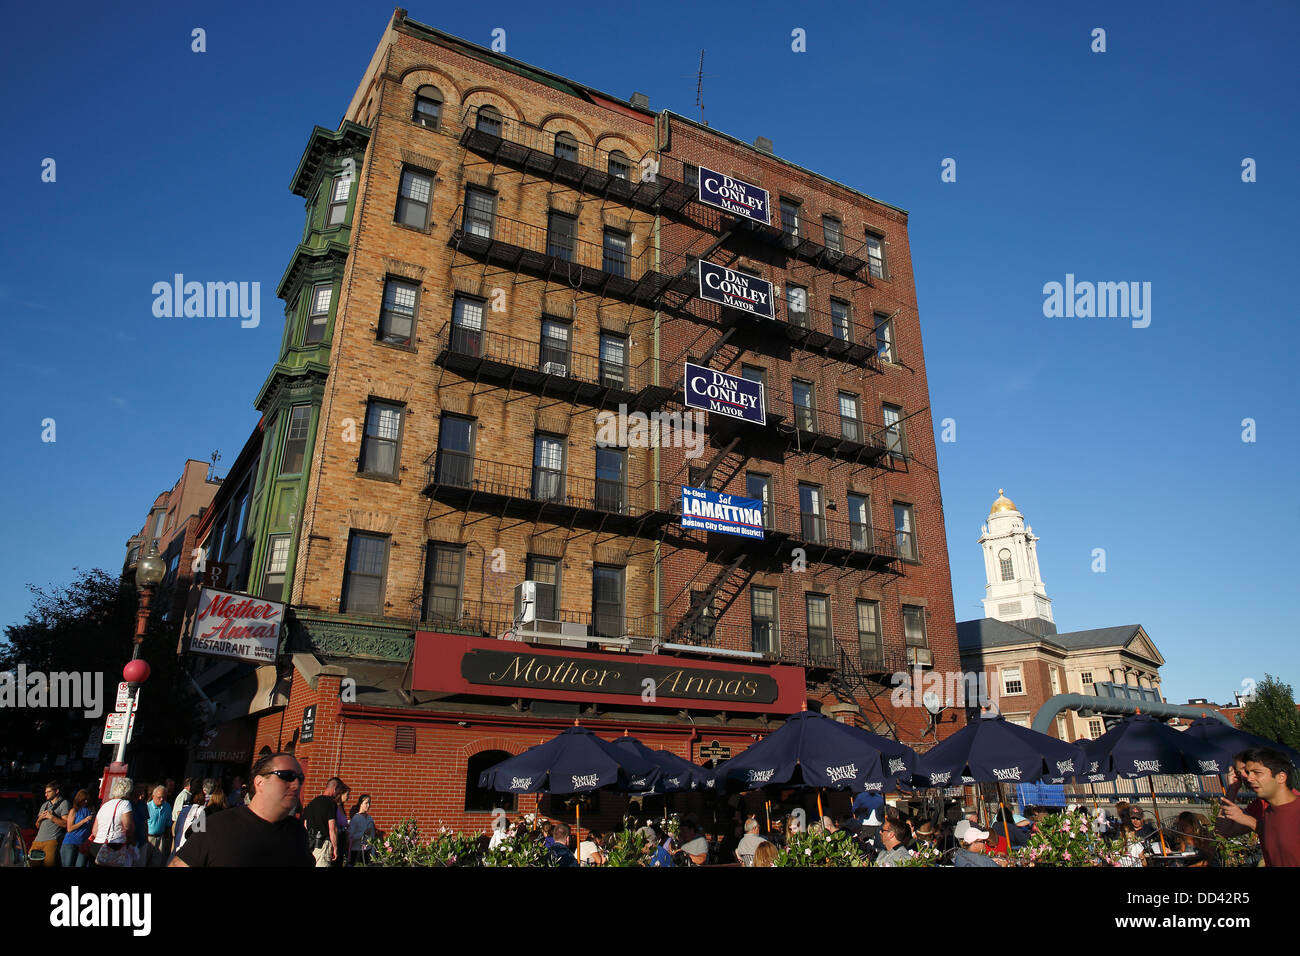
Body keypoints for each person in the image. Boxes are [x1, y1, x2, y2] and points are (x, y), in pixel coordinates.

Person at [170, 753, 312, 867]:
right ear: (259, 782)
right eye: (287, 776)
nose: (296, 784)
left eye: (300, 778)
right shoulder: (217, 825)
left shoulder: (297, 833)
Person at [1218, 746, 1300, 867]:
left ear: (1281, 777)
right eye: (1245, 773)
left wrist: (1250, 821)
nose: (1249, 778)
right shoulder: (1267, 810)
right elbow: (1221, 831)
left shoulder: (1294, 808)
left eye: (1257, 773)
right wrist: (1232, 788)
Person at [89, 777, 137, 867]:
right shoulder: (125, 804)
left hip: (97, 846)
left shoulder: (104, 805)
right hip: (114, 846)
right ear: (128, 791)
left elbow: (94, 831)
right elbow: (128, 827)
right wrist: (131, 840)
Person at [305, 777, 346, 867]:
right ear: (335, 789)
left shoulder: (312, 803)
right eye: (339, 791)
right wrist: (335, 847)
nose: (339, 794)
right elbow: (332, 828)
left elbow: (305, 824)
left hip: (310, 844)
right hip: (323, 844)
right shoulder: (331, 803)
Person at [33, 781, 69, 867]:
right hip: (37, 841)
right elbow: (37, 826)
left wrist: (51, 817)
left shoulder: (64, 803)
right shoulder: (44, 805)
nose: (46, 794)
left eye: (49, 792)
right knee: (32, 864)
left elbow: (66, 824)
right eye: (45, 792)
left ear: (56, 791)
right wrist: (39, 819)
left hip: (51, 841)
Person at [60, 789, 94, 868]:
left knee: (80, 864)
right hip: (70, 842)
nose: (85, 802)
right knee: (68, 864)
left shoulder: (90, 810)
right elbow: (69, 828)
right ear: (79, 800)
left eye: (87, 800)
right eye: (83, 800)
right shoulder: (74, 810)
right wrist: (83, 821)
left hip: (83, 843)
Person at [347, 794, 376, 865]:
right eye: (366, 803)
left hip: (368, 850)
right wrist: (363, 834)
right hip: (357, 851)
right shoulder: (355, 819)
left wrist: (373, 853)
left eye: (369, 803)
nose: (368, 805)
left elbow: (373, 837)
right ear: (361, 804)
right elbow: (350, 837)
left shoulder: (370, 818)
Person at [146, 785, 170, 865]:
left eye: (164, 797)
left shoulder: (167, 806)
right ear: (153, 796)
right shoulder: (147, 807)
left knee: (156, 863)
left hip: (160, 838)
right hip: (148, 838)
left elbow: (168, 824)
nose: (162, 799)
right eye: (159, 797)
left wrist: (166, 839)